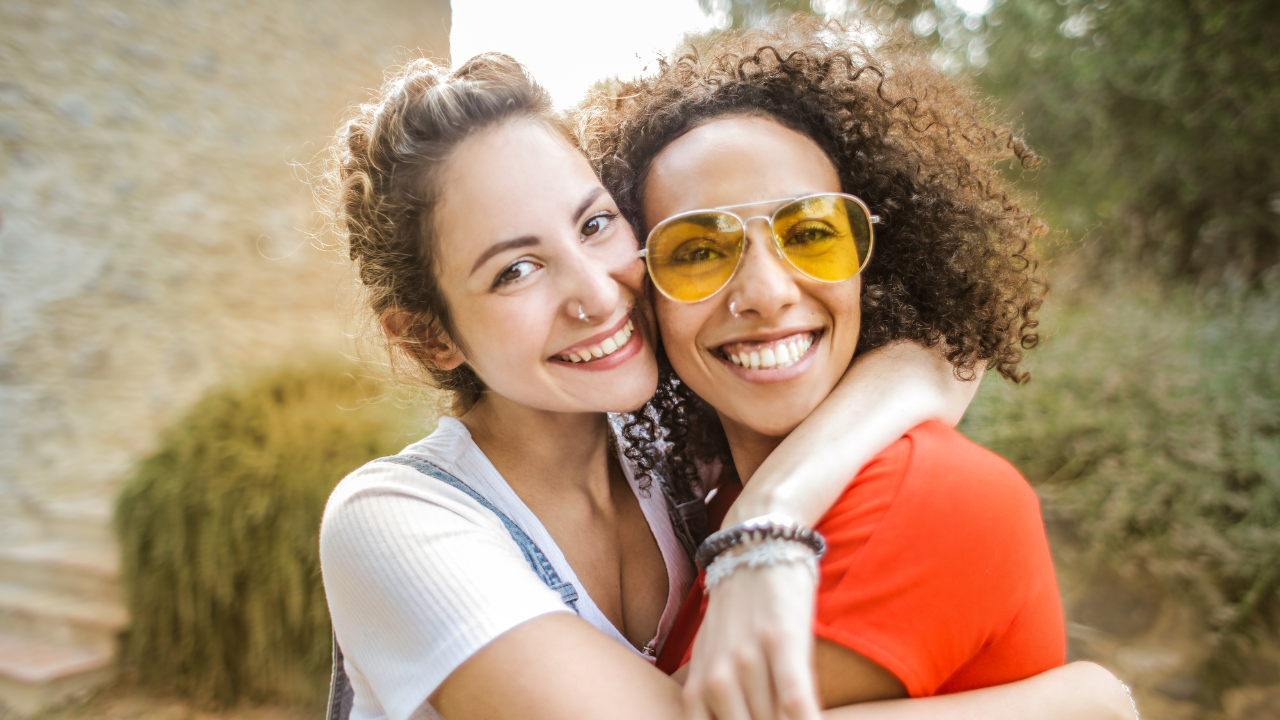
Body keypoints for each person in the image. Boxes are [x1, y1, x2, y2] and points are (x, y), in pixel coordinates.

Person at [318, 49, 1133, 720]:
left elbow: (944, 358)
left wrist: (771, 517)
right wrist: (1082, 703)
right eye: (516, 269)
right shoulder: (397, 519)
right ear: (427, 333)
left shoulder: (678, 455)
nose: (599, 294)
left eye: (596, 224)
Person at [587, 17, 1125, 720]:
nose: (769, 292)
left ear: (873, 265)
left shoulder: (926, 493)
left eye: (810, 234)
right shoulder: (709, 505)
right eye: (697, 251)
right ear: (644, 299)